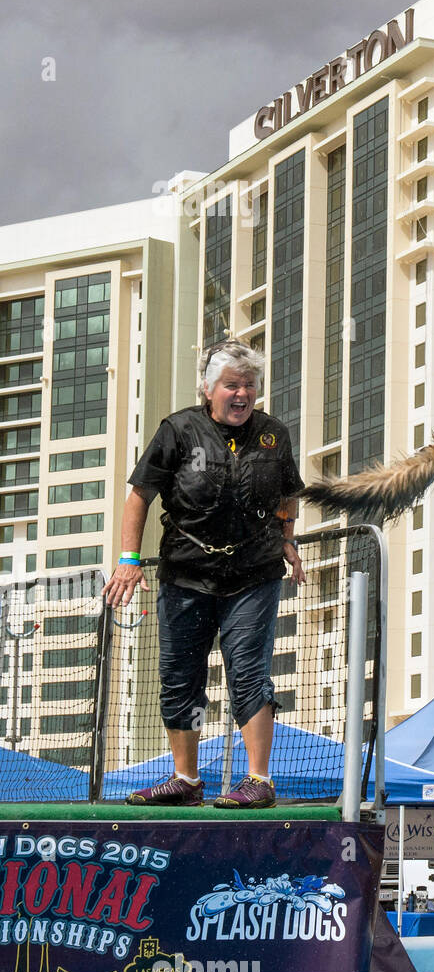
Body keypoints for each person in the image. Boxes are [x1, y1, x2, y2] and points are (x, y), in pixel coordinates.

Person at [103, 340, 306, 809]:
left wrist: (288, 539)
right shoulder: (178, 430)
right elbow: (140, 493)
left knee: (249, 673)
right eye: (232, 385)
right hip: (185, 574)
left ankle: (259, 780)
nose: (242, 394)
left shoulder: (274, 435)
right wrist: (128, 559)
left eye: (249, 386)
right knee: (180, 677)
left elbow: (288, 493)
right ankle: (186, 779)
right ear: (208, 389)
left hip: (254, 574)